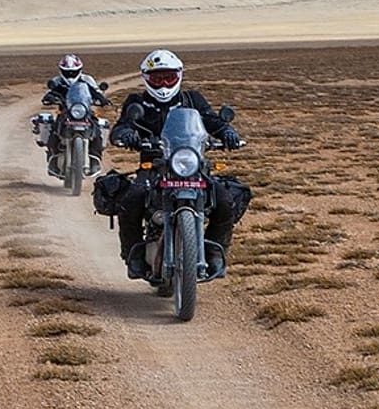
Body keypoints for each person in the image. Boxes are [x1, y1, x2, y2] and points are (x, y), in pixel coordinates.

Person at [109, 49, 242, 278]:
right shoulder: (136, 102)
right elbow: (121, 127)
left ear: (178, 76)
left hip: (191, 165)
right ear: (146, 78)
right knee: (132, 199)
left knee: (224, 199)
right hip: (153, 166)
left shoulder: (192, 99)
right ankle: (134, 255)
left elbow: (211, 121)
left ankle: (214, 253)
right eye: (157, 78)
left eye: (168, 77)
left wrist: (227, 132)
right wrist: (126, 134)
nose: (163, 84)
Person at [42, 54, 110, 173]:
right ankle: (53, 158)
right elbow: (49, 93)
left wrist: (102, 99)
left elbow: (96, 92)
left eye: (73, 72)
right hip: (65, 112)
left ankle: (95, 159)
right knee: (54, 131)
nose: (70, 75)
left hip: (85, 111)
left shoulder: (87, 80)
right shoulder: (57, 81)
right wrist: (50, 98)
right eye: (67, 72)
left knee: (97, 130)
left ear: (79, 70)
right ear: (61, 71)